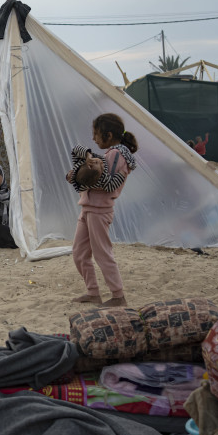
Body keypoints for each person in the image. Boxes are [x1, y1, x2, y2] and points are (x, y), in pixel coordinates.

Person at [66, 113, 139, 308]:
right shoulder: (109, 155)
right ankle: (93, 292)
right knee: (80, 253)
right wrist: (86, 164)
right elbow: (78, 151)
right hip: (89, 207)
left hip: (99, 210)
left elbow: (108, 185)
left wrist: (79, 177)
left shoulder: (117, 155)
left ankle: (118, 296)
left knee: (102, 253)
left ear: (107, 135)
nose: (93, 138)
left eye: (96, 134)